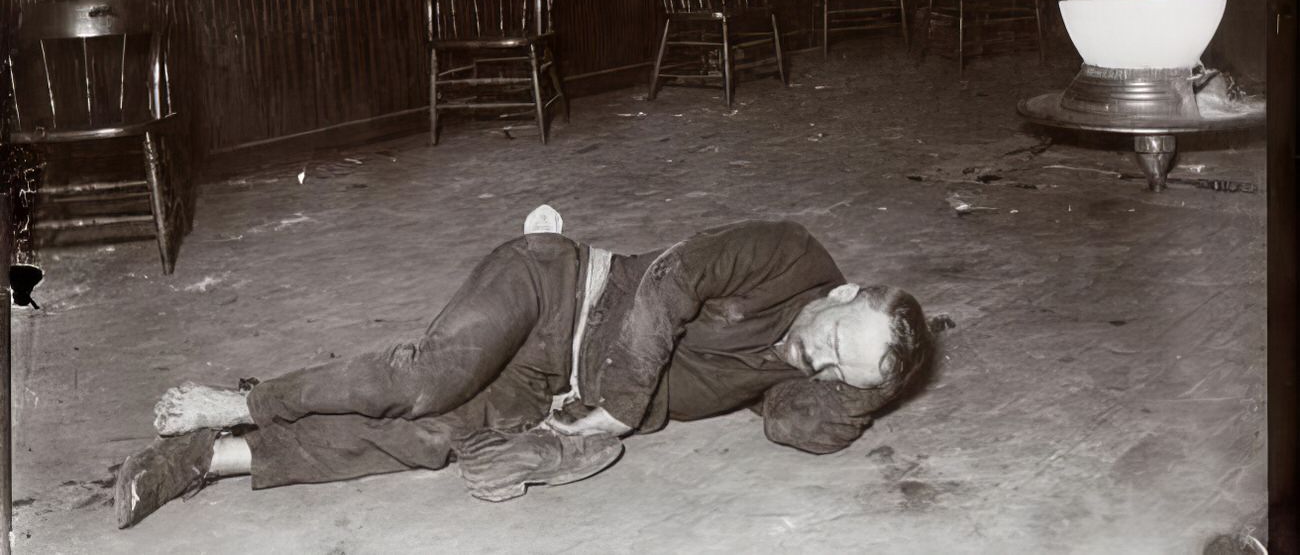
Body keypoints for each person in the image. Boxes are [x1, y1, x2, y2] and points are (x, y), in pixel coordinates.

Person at [115, 215, 935, 528]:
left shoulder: (818, 377)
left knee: (435, 439)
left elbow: (797, 425)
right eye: (834, 333)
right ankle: (245, 399)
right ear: (844, 289)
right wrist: (617, 409)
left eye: (837, 367)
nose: (815, 355)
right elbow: (668, 282)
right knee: (426, 380)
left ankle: (212, 456)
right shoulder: (787, 252)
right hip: (552, 284)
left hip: (553, 385)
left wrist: (870, 383)